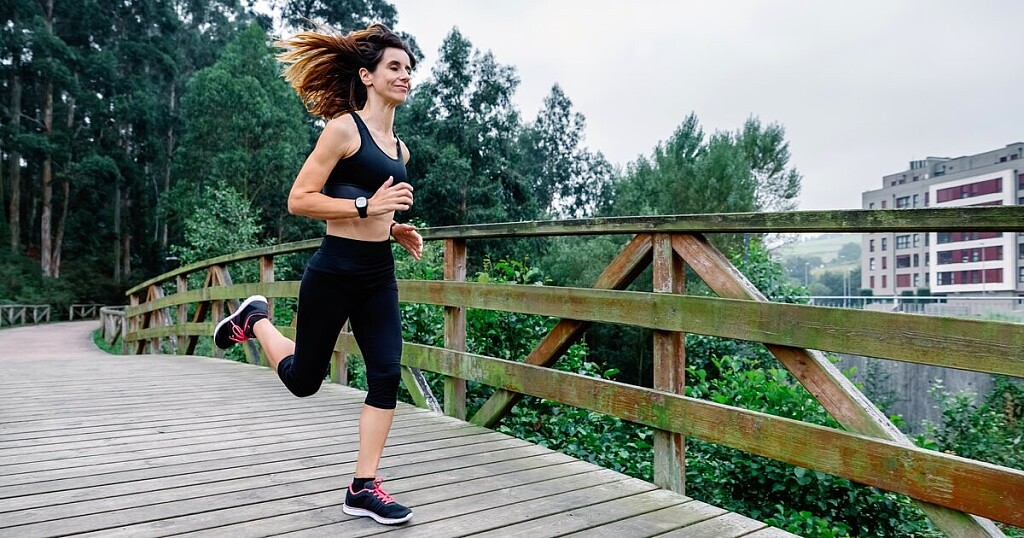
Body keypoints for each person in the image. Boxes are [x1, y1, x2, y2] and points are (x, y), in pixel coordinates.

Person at [212, 22, 423, 526]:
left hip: (378, 274)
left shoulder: (401, 150)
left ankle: (363, 487)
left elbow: (375, 208)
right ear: (367, 76)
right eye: (394, 67)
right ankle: (256, 320)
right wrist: (367, 206)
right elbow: (300, 199)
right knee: (305, 381)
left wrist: (392, 228)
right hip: (334, 271)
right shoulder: (343, 129)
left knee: (386, 374)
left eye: (409, 69)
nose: (404, 76)